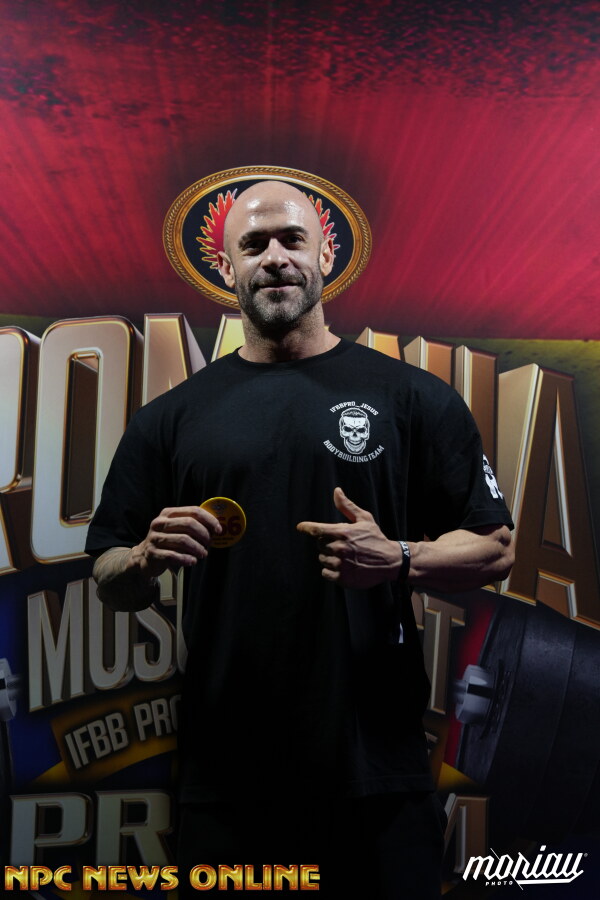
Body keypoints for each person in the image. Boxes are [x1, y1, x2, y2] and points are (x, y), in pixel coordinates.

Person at [86, 180, 514, 897]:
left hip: (376, 773)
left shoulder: (412, 398)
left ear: (326, 255)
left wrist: (399, 558)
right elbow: (107, 574)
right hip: (227, 779)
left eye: (293, 239)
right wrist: (143, 559)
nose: (275, 258)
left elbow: (496, 547)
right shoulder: (171, 419)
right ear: (226, 267)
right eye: (253, 245)